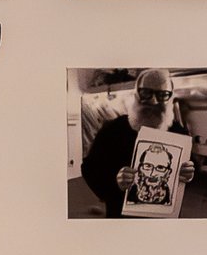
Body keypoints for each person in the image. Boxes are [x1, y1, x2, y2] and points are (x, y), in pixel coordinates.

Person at [80, 67, 189, 216]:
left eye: (162, 94)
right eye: (146, 92)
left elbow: (187, 176)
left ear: (170, 98)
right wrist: (115, 183)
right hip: (122, 220)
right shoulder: (112, 130)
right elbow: (89, 169)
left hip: (164, 223)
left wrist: (188, 175)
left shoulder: (179, 132)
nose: (153, 101)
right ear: (136, 94)